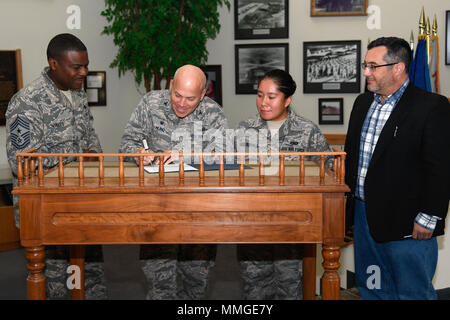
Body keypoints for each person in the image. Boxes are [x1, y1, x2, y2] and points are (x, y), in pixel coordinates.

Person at [344, 37, 450, 300]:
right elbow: (352, 158)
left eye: (373, 66)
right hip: (363, 215)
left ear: (398, 68)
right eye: (365, 65)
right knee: (373, 288)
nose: (366, 72)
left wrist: (429, 216)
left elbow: (440, 167)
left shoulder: (431, 106)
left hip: (408, 220)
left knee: (412, 291)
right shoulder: (361, 103)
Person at [5, 33, 106, 300]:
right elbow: (22, 162)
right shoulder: (27, 101)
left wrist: (93, 155)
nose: (83, 72)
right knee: (58, 285)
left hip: (84, 204)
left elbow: (91, 141)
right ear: (54, 63)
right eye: (76, 67)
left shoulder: (78, 95)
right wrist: (77, 155)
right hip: (47, 211)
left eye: (85, 65)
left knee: (92, 277)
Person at [119, 64, 228, 299]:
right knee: (159, 285)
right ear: (170, 86)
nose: (181, 103)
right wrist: (137, 153)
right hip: (156, 210)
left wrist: (185, 154)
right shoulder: (150, 104)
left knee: (197, 283)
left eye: (190, 98)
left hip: (198, 212)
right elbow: (126, 143)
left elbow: (222, 156)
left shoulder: (213, 113)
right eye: (177, 94)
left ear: (202, 95)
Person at [235, 69, 332, 299]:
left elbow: (329, 172)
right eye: (259, 95)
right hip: (253, 225)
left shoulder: (307, 131)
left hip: (292, 226)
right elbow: (233, 171)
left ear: (287, 99)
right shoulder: (245, 129)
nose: (263, 103)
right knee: (254, 288)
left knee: (289, 288)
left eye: (271, 96)